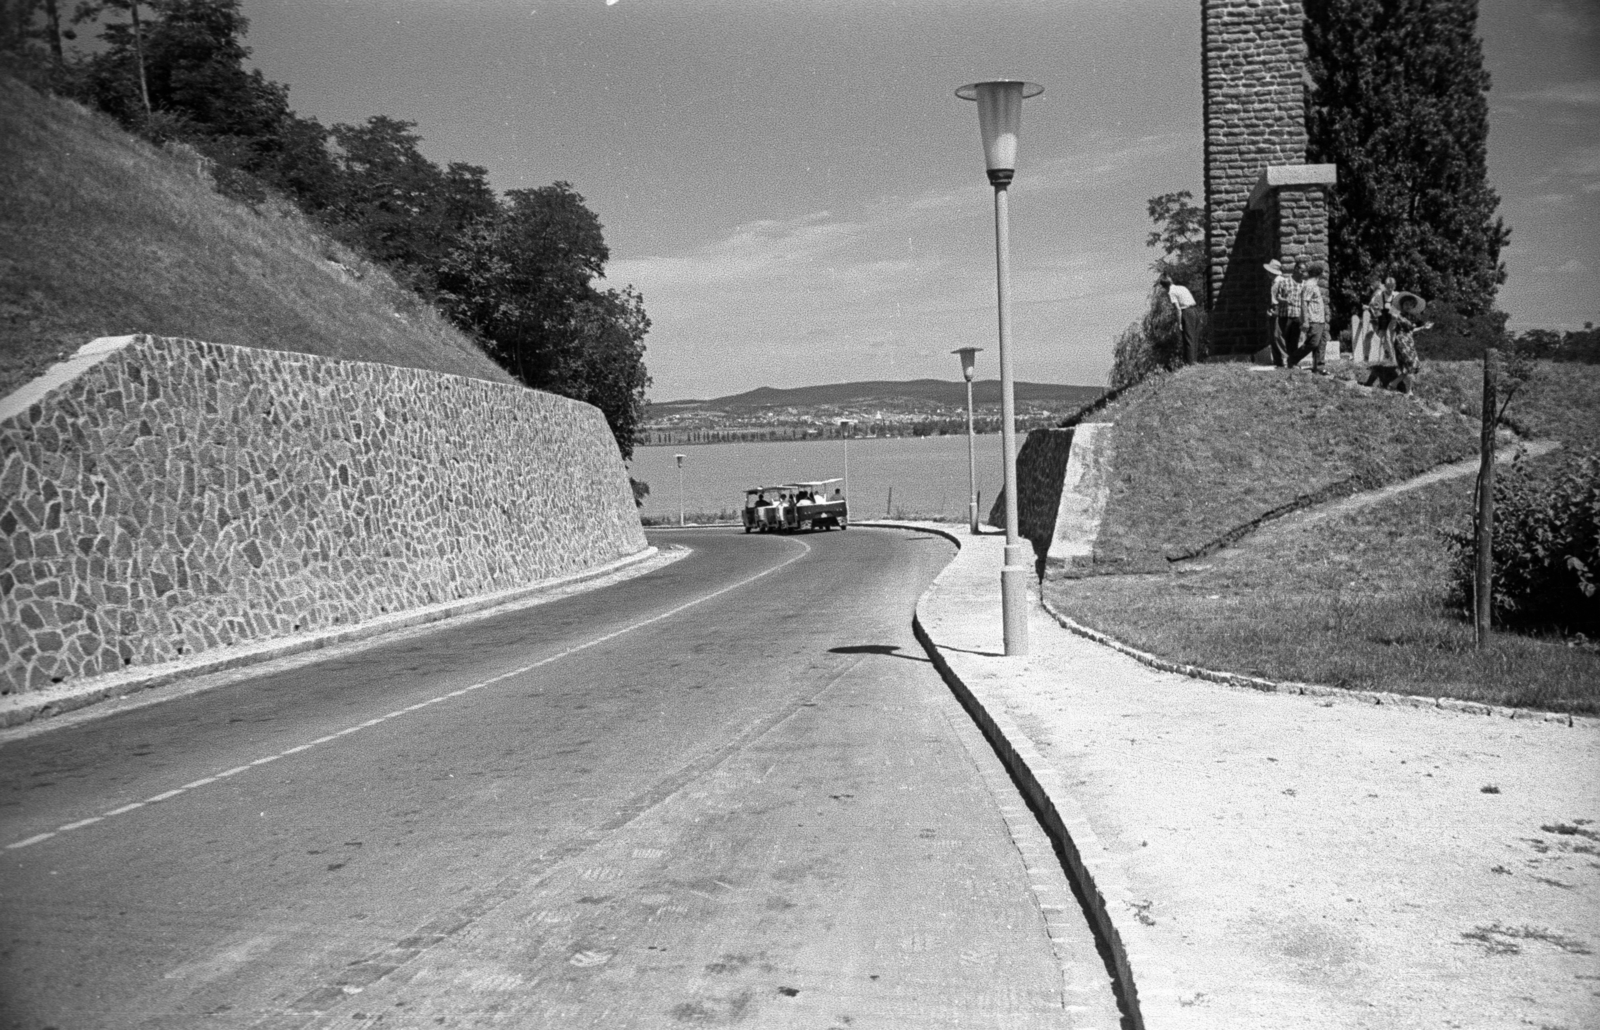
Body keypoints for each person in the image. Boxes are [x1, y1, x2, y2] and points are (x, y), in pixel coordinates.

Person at [1285, 261, 1329, 375]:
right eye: (1324, 271)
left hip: (1320, 320)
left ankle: (1319, 367)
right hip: (1313, 320)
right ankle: (1292, 359)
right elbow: (1304, 303)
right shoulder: (1309, 285)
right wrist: (1305, 321)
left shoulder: (1314, 285)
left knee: (1321, 343)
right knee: (1312, 343)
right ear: (1320, 273)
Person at [1158, 274, 1201, 365]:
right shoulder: (1182, 287)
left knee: (1188, 338)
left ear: (1164, 286)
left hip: (1186, 312)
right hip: (1195, 310)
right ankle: (1194, 361)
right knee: (1195, 336)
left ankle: (1190, 363)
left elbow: (1178, 309)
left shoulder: (1171, 292)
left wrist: (1180, 322)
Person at [1264, 257, 1296, 366]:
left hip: (1279, 310)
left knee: (1278, 335)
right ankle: (1278, 361)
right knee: (1273, 336)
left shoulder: (1280, 281)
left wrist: (1276, 310)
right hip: (1273, 308)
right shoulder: (1274, 282)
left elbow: (1284, 298)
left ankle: (1286, 359)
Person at [1367, 276, 1397, 362]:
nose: (1390, 289)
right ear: (1385, 286)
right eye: (1388, 287)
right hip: (1383, 318)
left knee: (1392, 338)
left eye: (1392, 287)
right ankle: (1379, 359)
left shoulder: (1395, 295)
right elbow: (1371, 304)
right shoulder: (1380, 295)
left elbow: (1398, 308)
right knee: (1381, 337)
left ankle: (1393, 358)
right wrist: (1377, 314)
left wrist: (1395, 314)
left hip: (1392, 319)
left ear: (1394, 286)